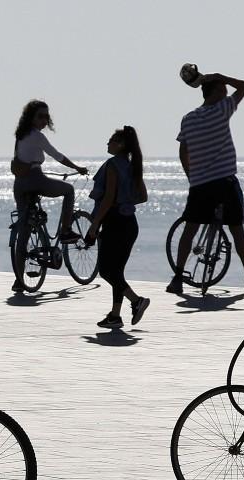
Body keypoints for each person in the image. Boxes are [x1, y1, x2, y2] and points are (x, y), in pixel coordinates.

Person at [167, 71, 244, 294]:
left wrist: (191, 177)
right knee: (237, 230)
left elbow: (182, 150)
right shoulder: (222, 110)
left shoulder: (189, 118)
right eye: (223, 89)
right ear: (215, 92)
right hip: (224, 181)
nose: (226, 93)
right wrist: (221, 76)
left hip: (200, 184)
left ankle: (177, 277)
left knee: (190, 229)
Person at [11, 100, 89, 293]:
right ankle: (65, 230)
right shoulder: (36, 136)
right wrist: (77, 168)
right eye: (41, 116)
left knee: (25, 229)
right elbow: (57, 155)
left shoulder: (20, 136)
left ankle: (19, 280)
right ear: (31, 117)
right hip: (35, 179)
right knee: (69, 190)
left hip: (20, 184)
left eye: (46, 116)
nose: (45, 119)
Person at [84, 127, 150, 329]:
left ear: (120, 145)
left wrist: (93, 226)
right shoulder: (132, 166)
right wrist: (126, 202)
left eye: (111, 140)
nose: (107, 143)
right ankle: (115, 315)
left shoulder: (113, 165)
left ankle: (137, 300)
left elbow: (107, 198)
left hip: (114, 223)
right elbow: (143, 197)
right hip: (130, 223)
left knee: (105, 271)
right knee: (117, 272)